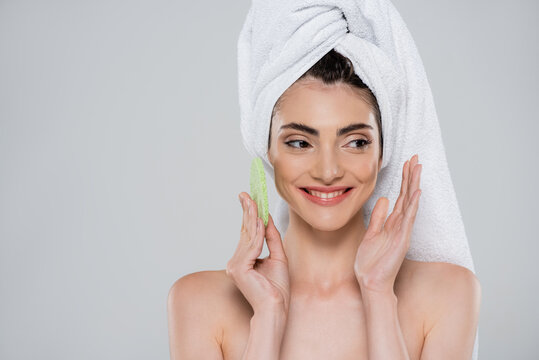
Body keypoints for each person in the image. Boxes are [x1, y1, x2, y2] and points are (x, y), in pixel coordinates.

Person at [167, 49, 481, 360]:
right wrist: (268, 316)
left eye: (356, 142)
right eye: (300, 143)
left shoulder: (449, 293)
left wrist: (378, 294)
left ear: (383, 152)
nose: (328, 171)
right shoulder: (197, 302)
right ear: (267, 152)